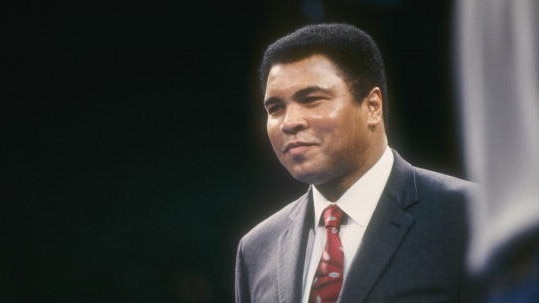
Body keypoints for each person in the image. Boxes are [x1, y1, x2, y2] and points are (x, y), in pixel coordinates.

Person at [235, 23, 475, 303]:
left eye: (311, 100)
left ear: (372, 106)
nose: (290, 122)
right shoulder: (256, 249)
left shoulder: (467, 216)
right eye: (276, 108)